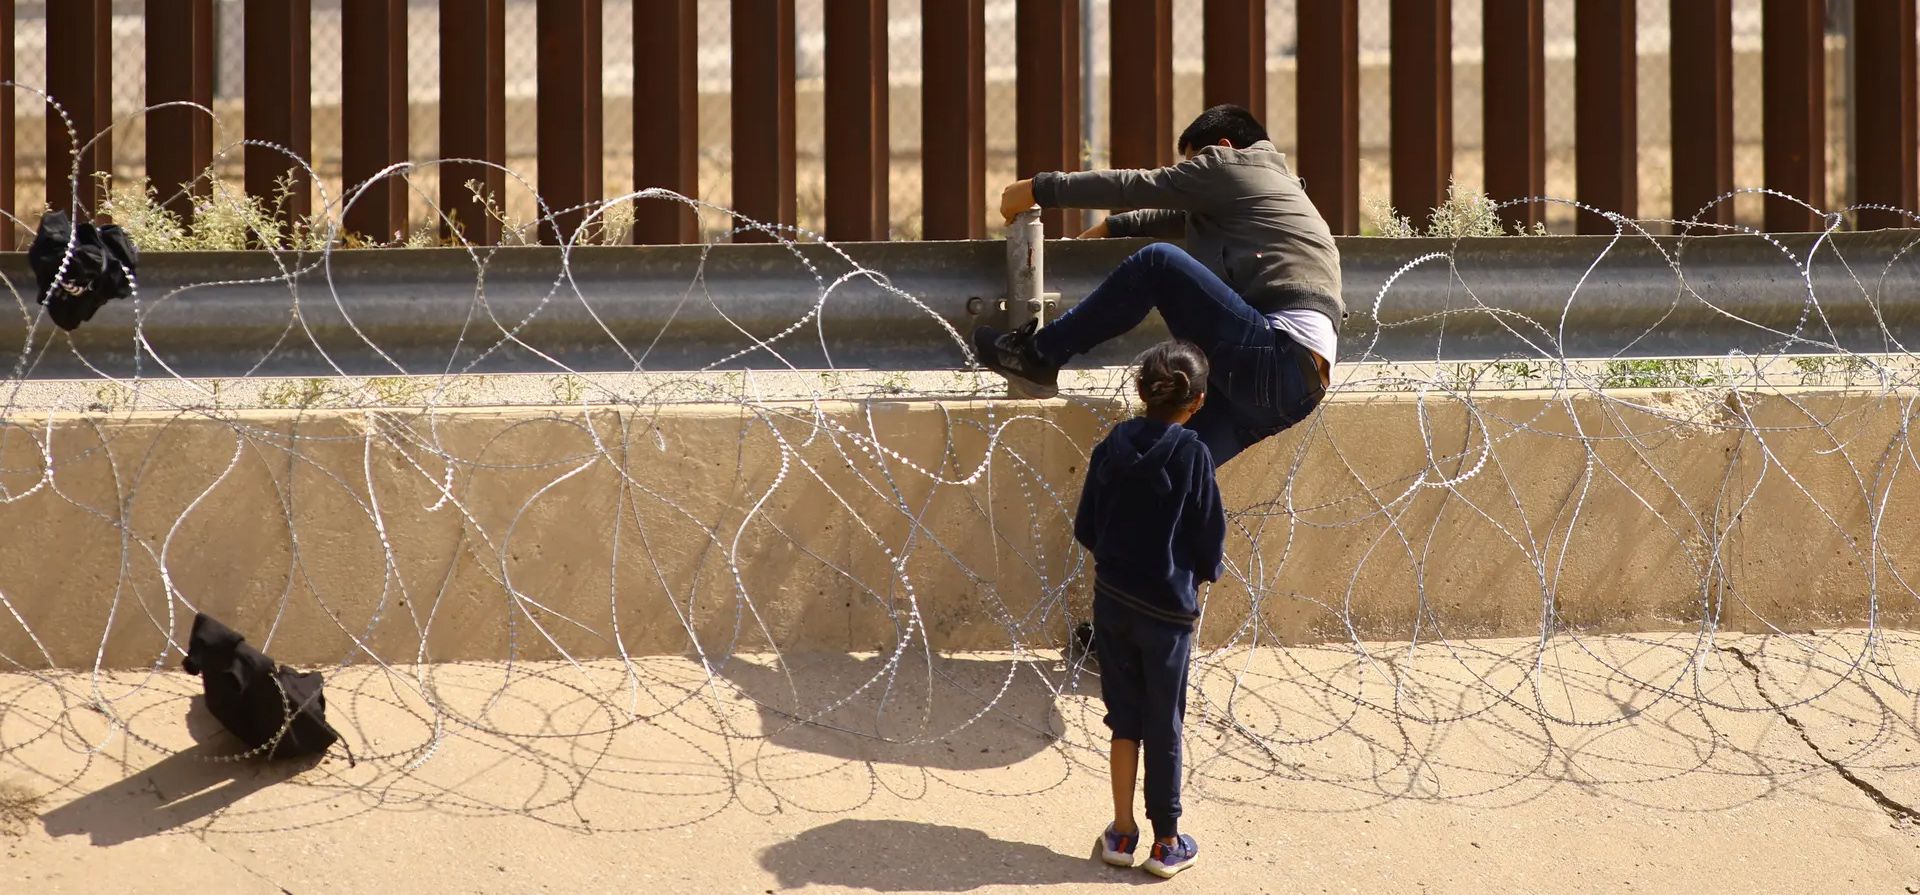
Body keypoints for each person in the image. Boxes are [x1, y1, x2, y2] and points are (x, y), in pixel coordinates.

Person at [973, 104, 1342, 467]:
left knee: (1157, 263)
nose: (1189, 174)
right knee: (1158, 474)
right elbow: (1178, 217)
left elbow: (1140, 185)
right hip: (1297, 389)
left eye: (1192, 165)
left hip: (1276, 353)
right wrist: (1115, 226)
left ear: (1224, 148)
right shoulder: (1273, 190)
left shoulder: (1231, 168)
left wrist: (1042, 189)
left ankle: (1037, 356)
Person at [1075, 340, 1225, 879]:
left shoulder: (1112, 445)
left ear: (1140, 391)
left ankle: (1120, 832)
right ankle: (1166, 841)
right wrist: (1200, 575)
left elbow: (1085, 526)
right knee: (1164, 723)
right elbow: (1209, 539)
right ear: (1200, 401)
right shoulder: (1193, 455)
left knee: (1124, 719)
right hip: (1168, 614)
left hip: (1112, 603)